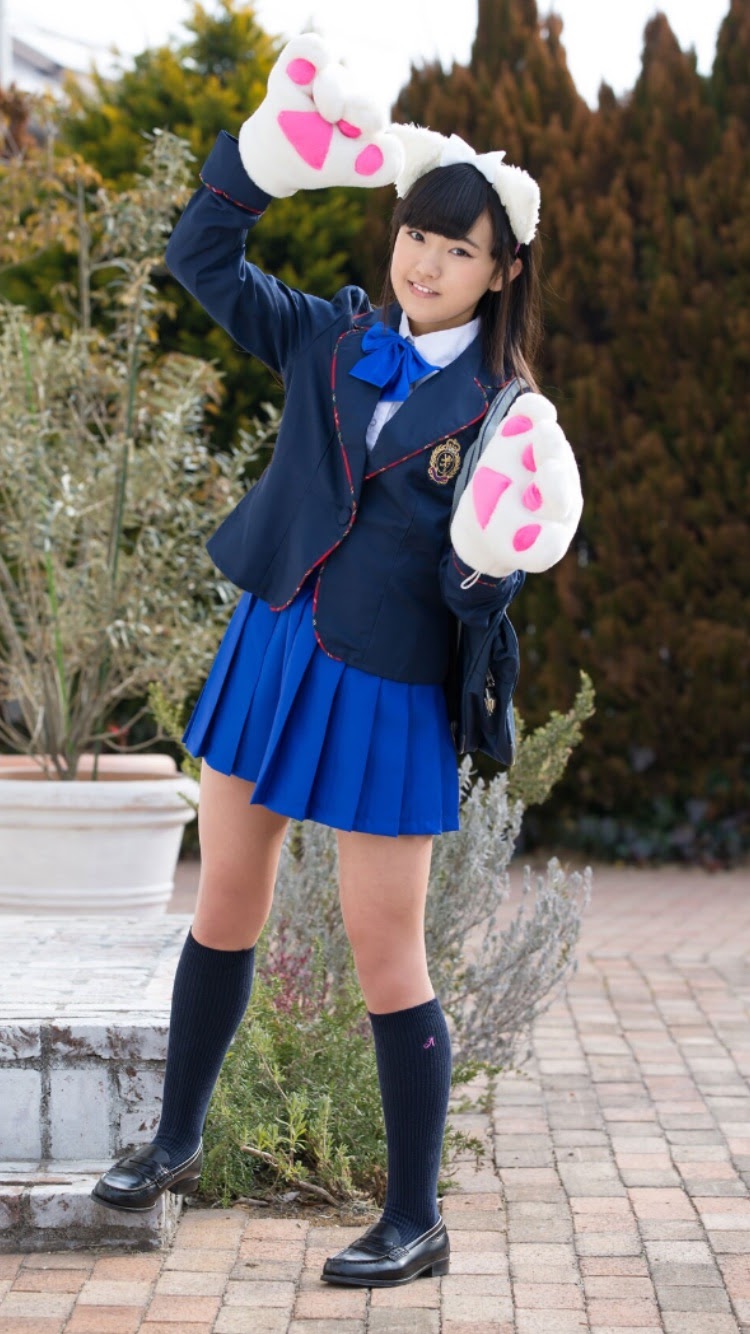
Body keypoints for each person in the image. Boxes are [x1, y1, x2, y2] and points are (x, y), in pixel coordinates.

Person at [91, 34, 580, 1287]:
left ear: (503, 269)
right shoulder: (332, 335)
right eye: (418, 232)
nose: (426, 260)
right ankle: (177, 1138)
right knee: (224, 899)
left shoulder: (507, 418)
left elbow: (486, 580)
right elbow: (201, 260)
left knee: (385, 948)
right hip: (274, 643)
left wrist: (490, 569)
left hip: (387, 683)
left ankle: (414, 1216)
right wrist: (261, 160)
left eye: (458, 247)